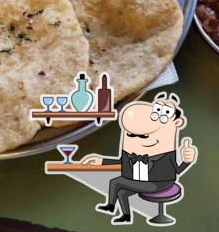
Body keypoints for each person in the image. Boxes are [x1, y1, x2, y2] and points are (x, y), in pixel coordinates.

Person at [80, 92, 197, 224]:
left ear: (177, 122)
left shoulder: (165, 154)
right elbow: (122, 163)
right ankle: (122, 213)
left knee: (118, 182)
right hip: (140, 180)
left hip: (159, 183)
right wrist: (102, 161)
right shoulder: (132, 152)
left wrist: (187, 160)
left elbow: (176, 171)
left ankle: (113, 207)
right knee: (120, 188)